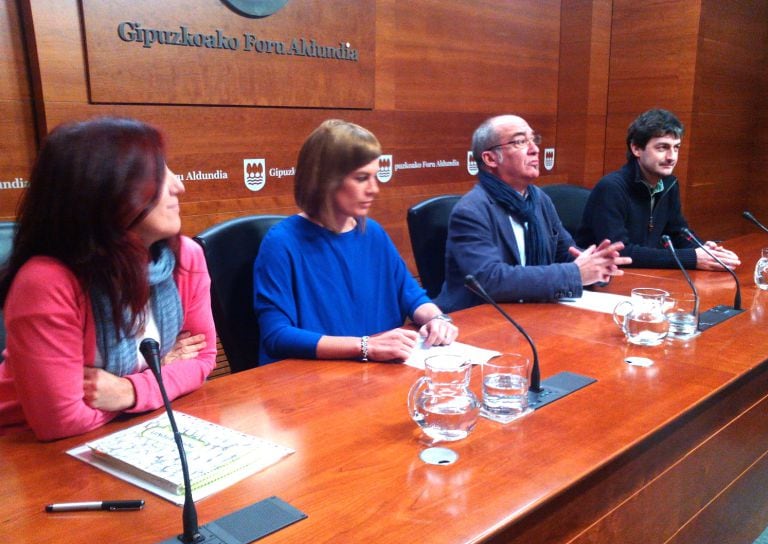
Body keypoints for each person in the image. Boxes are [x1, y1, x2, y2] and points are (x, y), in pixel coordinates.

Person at [0, 117, 217, 441]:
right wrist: (164, 375)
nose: (178, 186)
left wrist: (128, 390)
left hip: (129, 429)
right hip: (24, 447)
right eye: (156, 176)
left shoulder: (185, 257)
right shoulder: (46, 282)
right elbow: (60, 419)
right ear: (105, 191)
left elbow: (202, 359)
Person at [254, 119, 457, 365]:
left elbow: (412, 295)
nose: (374, 189)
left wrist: (437, 320)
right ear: (326, 180)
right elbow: (277, 336)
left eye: (375, 176)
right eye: (362, 178)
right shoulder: (281, 243)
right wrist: (365, 346)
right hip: (314, 380)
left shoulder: (372, 233)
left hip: (375, 375)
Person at [436, 114, 630, 313]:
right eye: (520, 141)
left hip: (532, 310)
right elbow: (489, 280)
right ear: (490, 158)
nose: (535, 149)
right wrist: (575, 273)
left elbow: (564, 252)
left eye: (534, 140)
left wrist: (596, 264)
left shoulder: (538, 199)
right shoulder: (471, 210)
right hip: (478, 318)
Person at [576, 108, 741, 270]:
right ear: (636, 149)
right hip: (604, 281)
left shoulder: (669, 184)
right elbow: (619, 252)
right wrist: (692, 258)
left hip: (649, 277)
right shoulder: (611, 188)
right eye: (662, 147)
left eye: (676, 148)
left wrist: (705, 250)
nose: (672, 157)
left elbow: (678, 233)